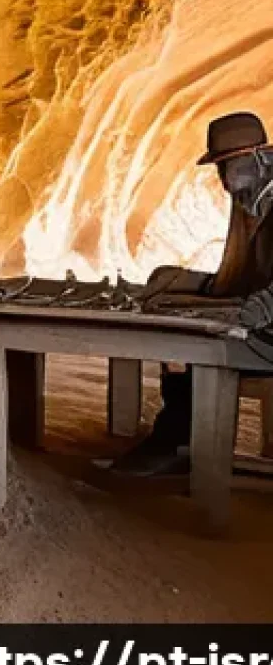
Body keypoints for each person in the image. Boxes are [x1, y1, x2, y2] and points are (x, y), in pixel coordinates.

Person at [112, 111, 273, 475]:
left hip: (268, 337)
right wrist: (184, 282)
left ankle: (179, 445)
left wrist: (241, 314)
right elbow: (244, 279)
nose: (223, 179)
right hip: (260, 324)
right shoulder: (251, 202)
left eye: (228, 166)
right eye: (220, 168)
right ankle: (177, 440)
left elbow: (261, 302)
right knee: (174, 322)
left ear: (256, 159)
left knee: (185, 346)